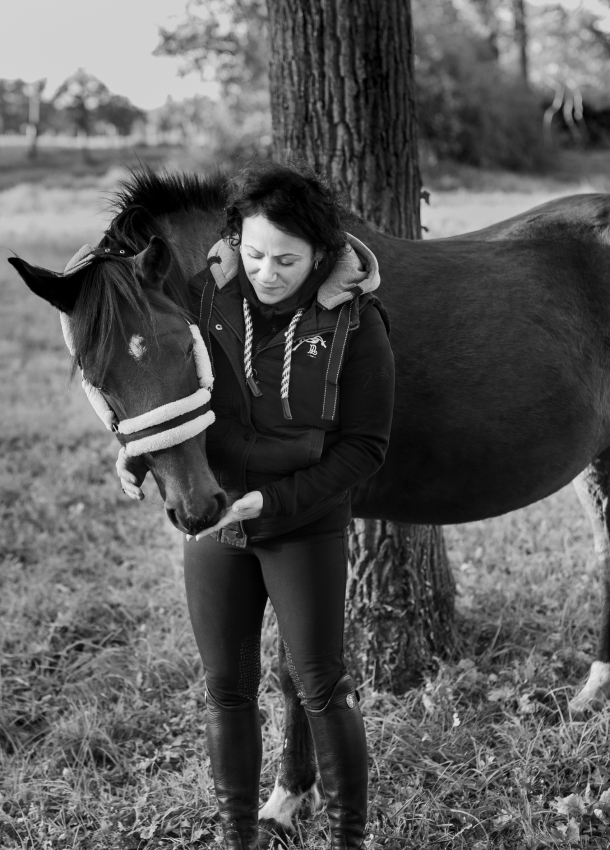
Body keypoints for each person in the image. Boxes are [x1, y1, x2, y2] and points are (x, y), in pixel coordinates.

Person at [117, 162, 395, 850]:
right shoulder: (199, 299)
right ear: (233, 238)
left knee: (322, 687)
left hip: (301, 525)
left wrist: (269, 500)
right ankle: (237, 836)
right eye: (254, 253)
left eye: (288, 260)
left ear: (322, 255)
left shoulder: (357, 326)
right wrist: (136, 450)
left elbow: (365, 450)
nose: (267, 272)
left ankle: (347, 839)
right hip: (214, 526)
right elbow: (150, 375)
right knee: (226, 691)